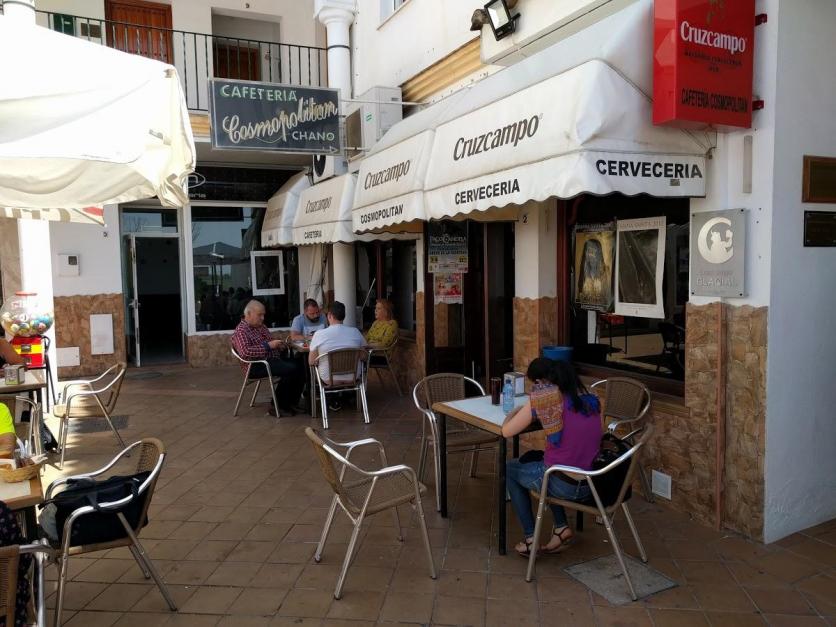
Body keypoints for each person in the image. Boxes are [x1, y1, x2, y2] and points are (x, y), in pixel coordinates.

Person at [502, 358, 602, 556]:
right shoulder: (592, 401)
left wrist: (519, 410)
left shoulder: (545, 401)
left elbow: (506, 431)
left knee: (509, 469)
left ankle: (531, 539)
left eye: (537, 384)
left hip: (562, 484)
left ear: (545, 382)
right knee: (543, 461)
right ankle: (561, 528)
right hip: (591, 483)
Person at [231, 300, 303, 417]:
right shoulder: (241, 331)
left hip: (270, 360)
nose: (263, 318)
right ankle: (277, 406)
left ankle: (291, 402)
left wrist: (278, 345)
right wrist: (268, 346)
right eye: (259, 315)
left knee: (301, 365)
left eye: (263, 315)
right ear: (248, 314)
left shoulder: (261, 327)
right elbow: (245, 352)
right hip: (255, 366)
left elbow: (270, 341)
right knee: (290, 369)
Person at [308, 301, 365, 411]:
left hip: (329, 378)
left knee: (313, 367)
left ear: (329, 315)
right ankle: (352, 399)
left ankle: (319, 404)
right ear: (343, 316)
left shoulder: (319, 334)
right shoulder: (355, 332)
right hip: (352, 377)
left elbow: (311, 361)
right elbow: (363, 356)